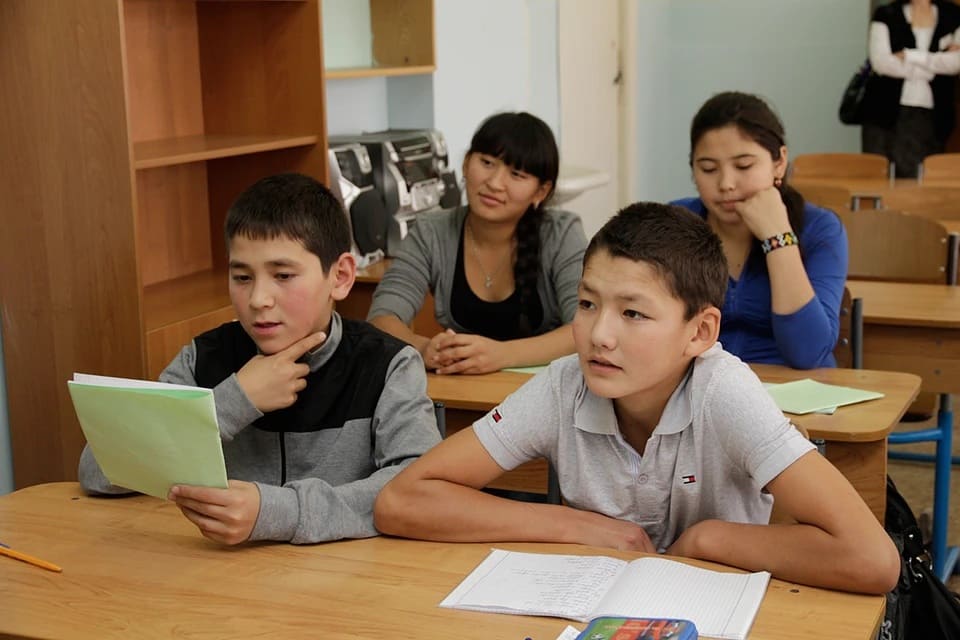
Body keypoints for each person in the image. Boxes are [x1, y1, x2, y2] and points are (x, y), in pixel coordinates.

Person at [373, 202, 899, 595]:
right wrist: (577, 525)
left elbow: (873, 560)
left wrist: (707, 540)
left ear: (699, 333)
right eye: (586, 303)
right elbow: (403, 500)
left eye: (633, 313)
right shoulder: (564, 384)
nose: (599, 335)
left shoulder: (723, 391)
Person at [78, 173, 441, 545]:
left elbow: (420, 490)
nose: (258, 300)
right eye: (242, 277)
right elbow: (97, 471)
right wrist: (233, 401)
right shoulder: (203, 360)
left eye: (283, 275)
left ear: (341, 276)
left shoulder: (388, 365)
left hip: (349, 571)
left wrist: (276, 513)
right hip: (222, 572)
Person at [367, 112, 588, 375]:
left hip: (549, 388)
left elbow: (585, 326)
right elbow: (381, 318)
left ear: (541, 191)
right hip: (464, 388)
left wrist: (502, 355)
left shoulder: (561, 235)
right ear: (465, 164)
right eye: (486, 163)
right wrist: (424, 348)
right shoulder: (431, 231)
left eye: (516, 174)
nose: (494, 183)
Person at [672, 91, 848, 369]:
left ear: (779, 163)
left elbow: (808, 353)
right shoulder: (678, 223)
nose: (726, 183)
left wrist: (778, 238)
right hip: (701, 387)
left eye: (744, 165)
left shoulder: (819, 228)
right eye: (708, 169)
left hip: (794, 389)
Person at [862, 0, 960, 178]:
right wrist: (932, 67)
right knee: (878, 174)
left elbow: (954, 63)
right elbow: (881, 63)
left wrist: (910, 56)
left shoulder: (953, 15)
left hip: (933, 113)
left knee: (920, 176)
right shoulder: (887, 14)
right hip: (884, 110)